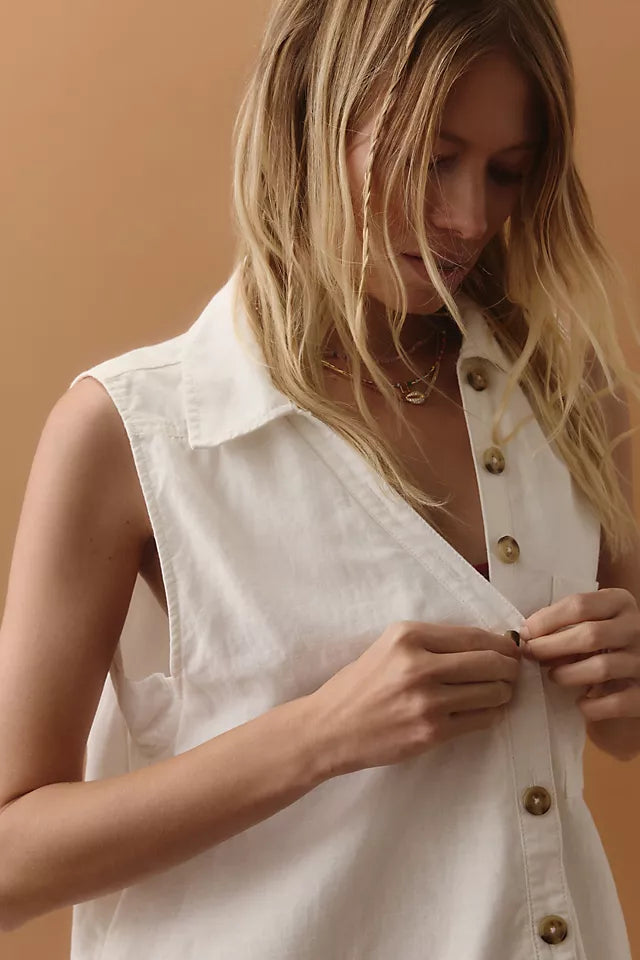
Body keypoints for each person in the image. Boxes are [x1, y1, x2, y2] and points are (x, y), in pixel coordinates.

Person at [1, 1, 639, 957]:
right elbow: (10, 864)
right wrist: (319, 736)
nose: (469, 218)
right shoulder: (136, 431)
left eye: (507, 172)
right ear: (307, 115)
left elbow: (621, 733)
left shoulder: (572, 398)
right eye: (430, 158)